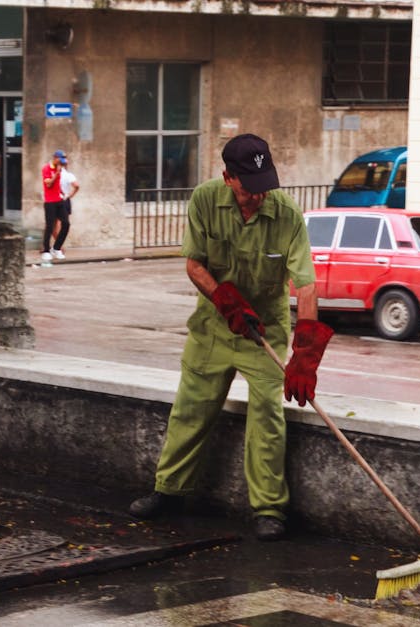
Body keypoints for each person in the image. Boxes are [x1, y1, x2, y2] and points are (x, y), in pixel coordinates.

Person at [127, 134, 331, 542]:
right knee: (191, 408)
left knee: (268, 416)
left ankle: (269, 509)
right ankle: (169, 490)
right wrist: (225, 299)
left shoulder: (287, 214)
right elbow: (194, 265)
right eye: (248, 187)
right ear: (227, 178)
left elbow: (306, 286)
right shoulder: (204, 200)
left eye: (263, 185)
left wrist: (305, 356)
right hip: (214, 327)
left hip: (265, 331)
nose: (258, 195)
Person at [41, 150, 68, 261]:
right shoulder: (46, 168)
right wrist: (56, 174)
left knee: (66, 224)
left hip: (59, 200)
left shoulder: (59, 168)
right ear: (55, 158)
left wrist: (62, 192)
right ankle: (46, 250)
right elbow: (48, 184)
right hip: (49, 201)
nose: (61, 163)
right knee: (49, 226)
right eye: (60, 160)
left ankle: (56, 248)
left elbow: (57, 184)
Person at [55, 156, 80, 253]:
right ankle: (58, 246)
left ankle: (58, 246)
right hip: (65, 199)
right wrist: (70, 195)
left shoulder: (56, 174)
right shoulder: (69, 175)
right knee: (63, 224)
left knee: (55, 224)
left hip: (56, 199)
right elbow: (76, 186)